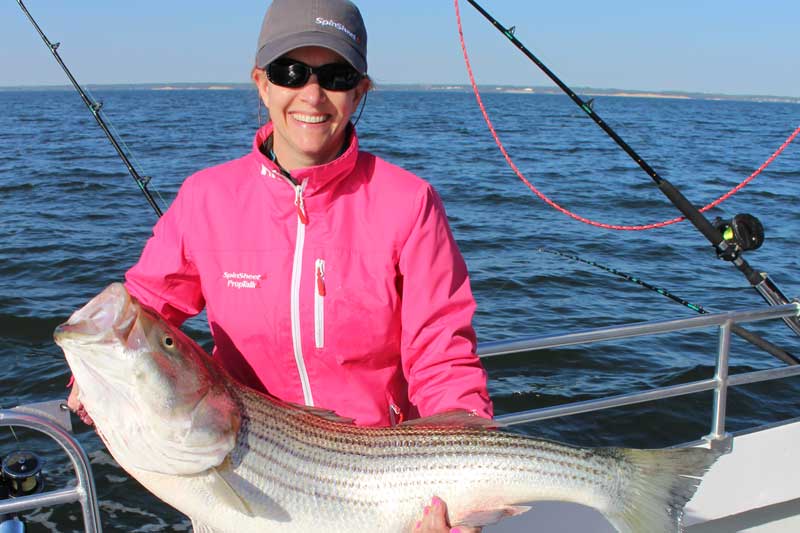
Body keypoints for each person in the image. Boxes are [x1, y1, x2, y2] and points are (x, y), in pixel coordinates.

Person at [69, 0, 492, 531]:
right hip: (248, 468)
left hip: (382, 480)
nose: (312, 95)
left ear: (360, 91)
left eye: (336, 76)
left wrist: (463, 470)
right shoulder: (206, 198)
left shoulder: (409, 202)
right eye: (290, 72)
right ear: (261, 84)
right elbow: (143, 311)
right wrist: (97, 375)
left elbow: (441, 352)